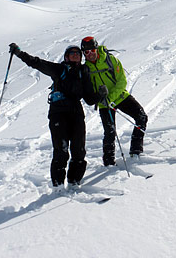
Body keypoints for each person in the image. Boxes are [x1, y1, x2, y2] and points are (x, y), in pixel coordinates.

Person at [9, 43, 107, 188]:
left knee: (79, 151)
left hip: (76, 113)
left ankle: (74, 182)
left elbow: (89, 98)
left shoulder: (83, 71)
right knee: (61, 150)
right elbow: (36, 63)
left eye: (78, 54)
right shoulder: (59, 69)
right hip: (58, 112)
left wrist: (100, 95)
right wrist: (19, 53)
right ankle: (58, 186)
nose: (75, 55)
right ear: (66, 57)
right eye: (72, 53)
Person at [80, 36, 148, 166]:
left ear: (96, 49)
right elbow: (88, 91)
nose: (90, 54)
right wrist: (99, 97)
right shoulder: (86, 69)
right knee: (110, 132)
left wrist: (110, 98)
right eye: (86, 52)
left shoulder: (110, 60)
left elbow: (122, 81)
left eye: (92, 51)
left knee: (141, 117)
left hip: (120, 97)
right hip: (104, 104)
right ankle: (109, 162)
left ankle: (135, 151)